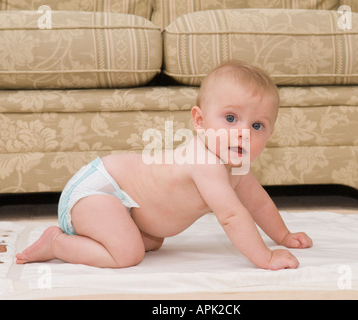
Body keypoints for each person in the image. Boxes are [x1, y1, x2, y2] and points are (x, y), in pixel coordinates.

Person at [16, 60, 312, 270]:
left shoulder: (237, 165)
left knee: (153, 241)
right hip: (98, 190)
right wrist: (265, 257)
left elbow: (258, 204)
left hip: (127, 205)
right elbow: (232, 216)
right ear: (200, 121)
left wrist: (282, 236)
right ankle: (56, 243)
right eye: (231, 119)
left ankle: (113, 231)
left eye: (257, 125)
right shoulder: (204, 160)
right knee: (127, 254)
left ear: (269, 134)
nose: (243, 132)